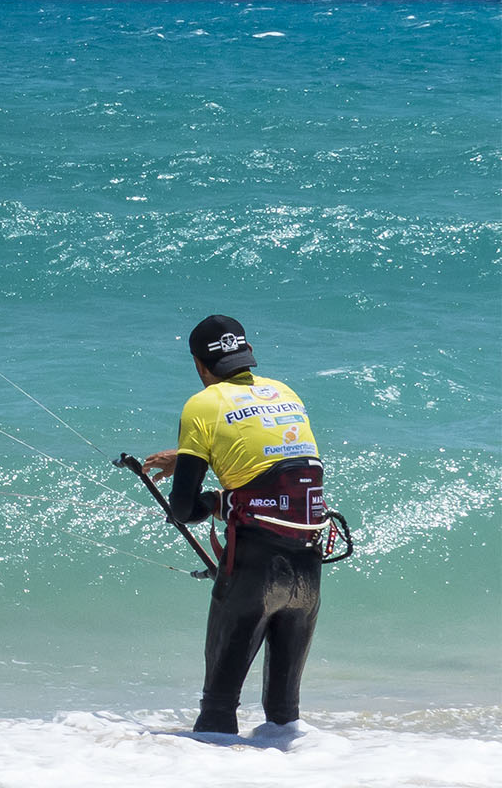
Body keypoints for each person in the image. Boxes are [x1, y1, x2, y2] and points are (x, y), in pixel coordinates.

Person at [143, 314, 326, 736]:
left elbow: (184, 509)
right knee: (284, 722)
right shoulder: (285, 393)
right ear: (245, 354)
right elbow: (267, 456)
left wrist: (206, 486)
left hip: (255, 572)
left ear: (198, 364)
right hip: (309, 565)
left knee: (218, 715)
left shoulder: (201, 404)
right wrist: (192, 454)